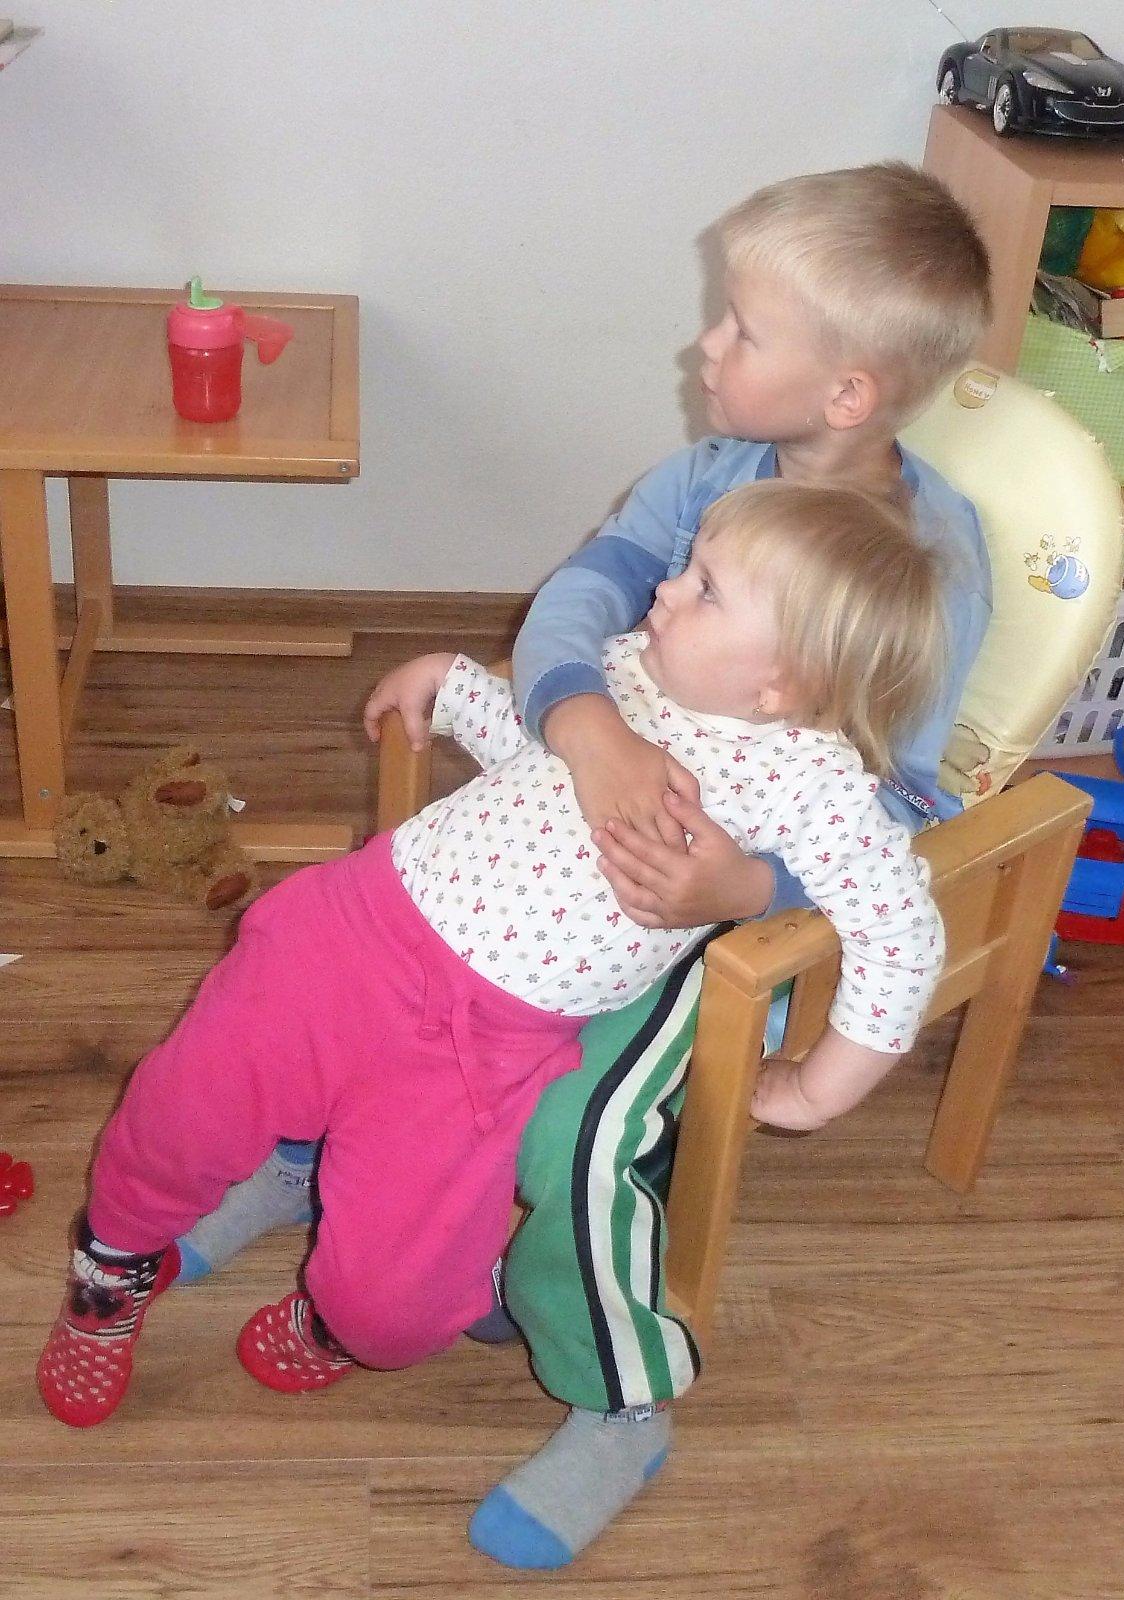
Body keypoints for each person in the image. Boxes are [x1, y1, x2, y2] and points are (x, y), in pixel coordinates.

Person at [171, 160, 994, 1568]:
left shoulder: (928, 558)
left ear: (846, 391)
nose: (704, 346)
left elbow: (900, 798)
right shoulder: (703, 483)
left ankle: (621, 1400)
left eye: (740, 328)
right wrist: (582, 724)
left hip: (696, 920)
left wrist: (746, 891)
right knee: (368, 953)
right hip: (573, 823)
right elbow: (579, 601)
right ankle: (319, 1158)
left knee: (580, 1137)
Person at [38, 480, 948, 1442]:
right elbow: (530, 745)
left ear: (777, 686)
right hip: (355, 935)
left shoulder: (813, 787)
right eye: (688, 568)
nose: (666, 589)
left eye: (706, 589)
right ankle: (112, 1274)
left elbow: (902, 933)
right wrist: (451, 681)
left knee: (396, 1304)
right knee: (180, 1115)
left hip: (483, 1048)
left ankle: (335, 1322)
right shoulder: (623, 669)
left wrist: (818, 1089)